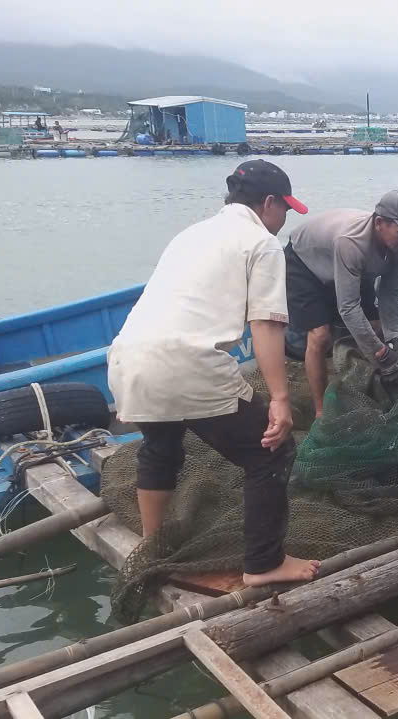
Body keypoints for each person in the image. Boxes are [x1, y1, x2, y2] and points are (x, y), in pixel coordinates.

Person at [107, 159, 320, 586]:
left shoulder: (191, 234)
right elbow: (266, 324)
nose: (284, 221)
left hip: (126, 359)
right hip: (185, 364)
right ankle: (264, 564)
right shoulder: (260, 243)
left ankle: (152, 545)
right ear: (269, 203)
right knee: (271, 451)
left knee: (162, 446)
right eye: (285, 211)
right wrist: (279, 399)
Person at [284, 190, 398, 417]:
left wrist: (396, 339)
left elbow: (390, 293)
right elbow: (348, 307)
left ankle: (373, 390)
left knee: (376, 326)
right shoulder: (351, 242)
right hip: (306, 263)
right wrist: (381, 354)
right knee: (320, 336)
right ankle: (322, 412)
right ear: (380, 223)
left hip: (352, 266)